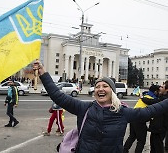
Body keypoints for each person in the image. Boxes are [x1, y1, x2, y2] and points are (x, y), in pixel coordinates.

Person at [33, 60, 168, 153]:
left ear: (112, 91)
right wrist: (43, 73)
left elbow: (152, 110)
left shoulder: (123, 112)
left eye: (105, 86)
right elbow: (58, 96)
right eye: (97, 86)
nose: (100, 89)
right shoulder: (84, 108)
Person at [123, 85, 160, 153]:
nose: (159, 93)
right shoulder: (152, 99)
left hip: (133, 117)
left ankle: (124, 150)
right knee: (141, 140)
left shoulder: (146, 96)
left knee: (132, 136)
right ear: (155, 91)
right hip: (140, 120)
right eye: (158, 91)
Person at [141, 80, 168, 153]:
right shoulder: (162, 97)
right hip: (157, 127)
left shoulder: (164, 99)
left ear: (167, 89)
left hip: (159, 128)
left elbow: (152, 102)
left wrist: (142, 98)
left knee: (157, 146)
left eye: (162, 87)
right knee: (153, 145)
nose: (160, 88)